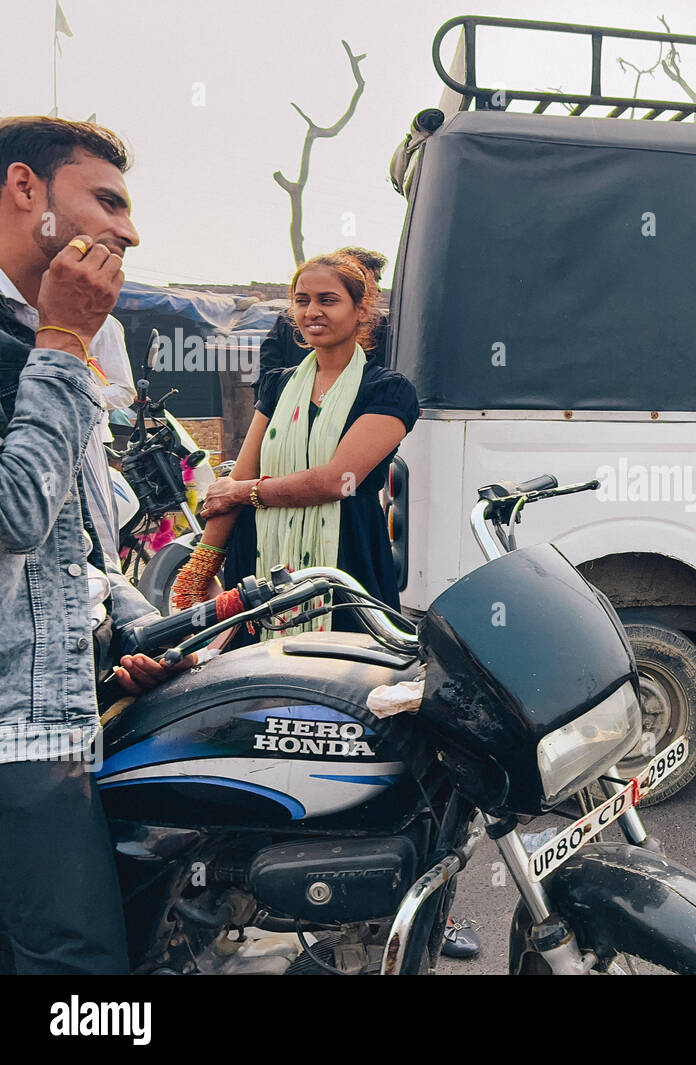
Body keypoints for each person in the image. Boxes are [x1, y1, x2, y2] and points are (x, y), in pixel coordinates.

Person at [171, 251, 480, 958]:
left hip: (348, 581)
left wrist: (239, 493)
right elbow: (240, 478)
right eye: (301, 300)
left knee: (386, 742)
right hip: (269, 582)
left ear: (361, 310)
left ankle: (426, 901)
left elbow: (339, 478)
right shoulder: (281, 383)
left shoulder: (391, 390)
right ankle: (282, 884)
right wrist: (202, 561)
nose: (312, 312)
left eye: (328, 301)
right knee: (275, 726)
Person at [0, 116, 193, 974]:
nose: (128, 229)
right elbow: (13, 513)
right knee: (78, 976)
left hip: (73, 704)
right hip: (16, 737)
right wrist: (68, 341)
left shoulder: (45, 335)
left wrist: (139, 626)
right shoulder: (56, 339)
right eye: (107, 201)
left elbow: (76, 544)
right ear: (24, 190)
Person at [255, 246, 390, 383]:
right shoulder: (289, 320)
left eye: (328, 300)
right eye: (374, 279)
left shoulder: (389, 387)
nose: (377, 288)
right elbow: (267, 374)